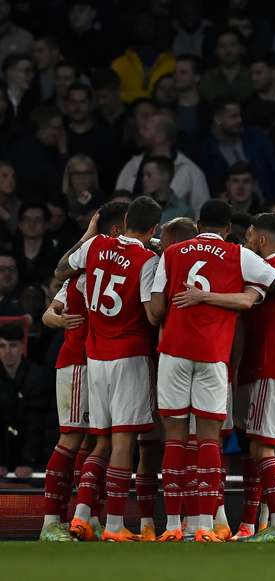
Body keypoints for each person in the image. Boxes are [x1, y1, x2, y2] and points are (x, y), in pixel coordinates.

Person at [148, 200, 275, 542]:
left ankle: (174, 525)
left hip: (173, 352)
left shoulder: (173, 253)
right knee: (209, 439)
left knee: (174, 438)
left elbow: (157, 310)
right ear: (227, 229)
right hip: (212, 356)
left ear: (198, 222)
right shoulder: (240, 255)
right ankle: (205, 525)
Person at [177, 213, 275, 542]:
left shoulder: (261, 272)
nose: (245, 241)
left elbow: (246, 302)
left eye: (248, 235)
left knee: (261, 449)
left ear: (261, 239)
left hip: (270, 370)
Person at [53, 196, 162, 542]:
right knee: (123, 442)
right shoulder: (146, 260)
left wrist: (87, 234)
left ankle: (82, 516)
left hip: (95, 358)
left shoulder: (96, 244)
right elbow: (151, 314)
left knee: (99, 440)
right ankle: (115, 524)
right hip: (128, 357)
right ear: (154, 229)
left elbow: (60, 270)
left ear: (125, 220)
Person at [38, 200, 126, 542]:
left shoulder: (111, 269)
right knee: (71, 438)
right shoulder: (80, 273)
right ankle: (50, 523)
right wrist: (58, 320)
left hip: (100, 363)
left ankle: (86, 515)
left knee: (95, 440)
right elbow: (49, 313)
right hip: (76, 362)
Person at [0, 323, 53, 480]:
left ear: (22, 347)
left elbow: (36, 424)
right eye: (2, 346)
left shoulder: (37, 378)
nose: (7, 351)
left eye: (13, 345)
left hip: (31, 461)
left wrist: (28, 461)